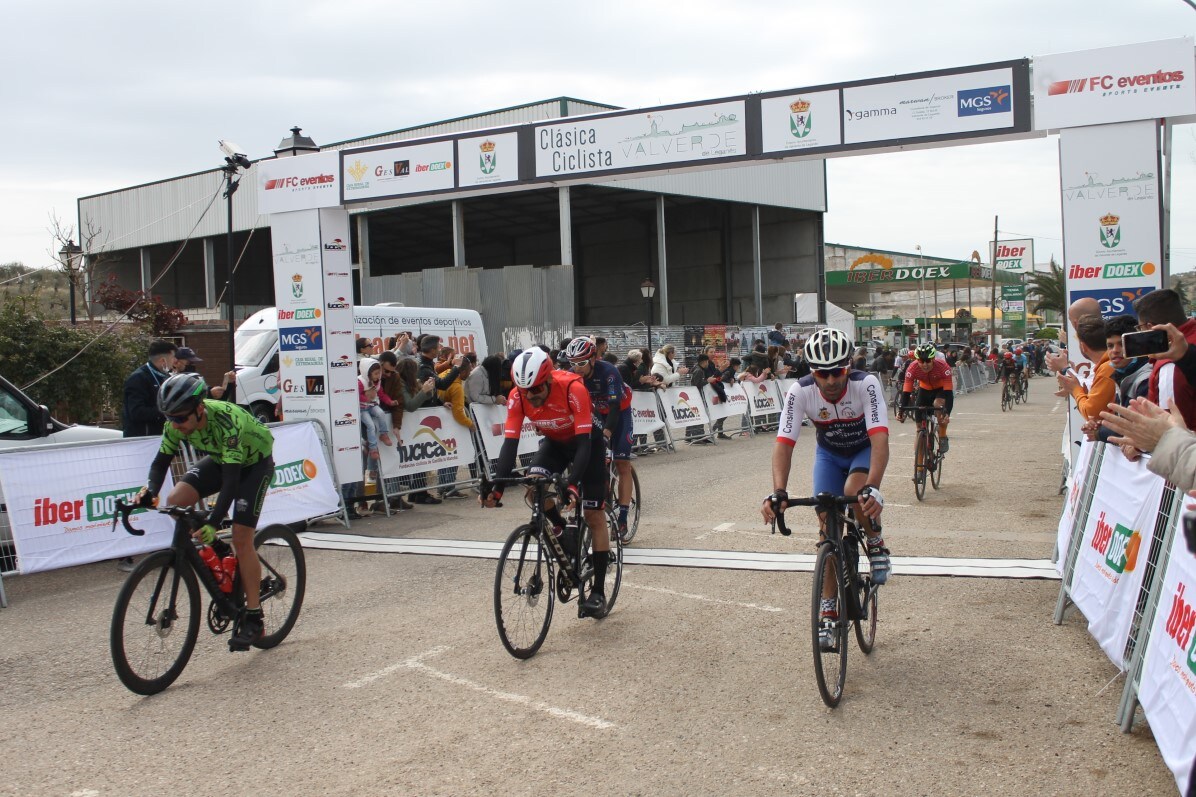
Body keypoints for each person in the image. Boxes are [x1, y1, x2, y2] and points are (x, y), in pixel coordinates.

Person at [760, 326, 890, 651]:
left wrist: (873, 487)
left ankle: (874, 541)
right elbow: (783, 444)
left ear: (848, 366)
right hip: (830, 455)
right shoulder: (800, 391)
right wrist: (779, 491)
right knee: (826, 530)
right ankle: (829, 608)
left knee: (856, 490)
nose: (831, 381)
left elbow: (879, 441)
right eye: (822, 373)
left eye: (837, 372)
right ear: (812, 371)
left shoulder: (866, 384)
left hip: (862, 450)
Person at [135, 373, 274, 651]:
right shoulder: (176, 422)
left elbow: (232, 482)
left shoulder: (226, 420)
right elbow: (161, 462)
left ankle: (254, 616)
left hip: (253, 464)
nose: (177, 425)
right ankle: (218, 549)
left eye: (181, 418)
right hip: (222, 459)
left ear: (200, 408)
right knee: (176, 498)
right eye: (171, 418)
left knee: (241, 537)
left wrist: (213, 520)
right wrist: (150, 490)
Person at [482, 348, 612, 617]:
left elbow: (585, 445)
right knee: (534, 487)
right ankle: (564, 531)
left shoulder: (572, 388)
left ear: (549, 379)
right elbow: (510, 444)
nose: (531, 395)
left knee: (594, 514)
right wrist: (497, 488)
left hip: (587, 444)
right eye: (524, 389)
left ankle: (598, 591)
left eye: (536, 388)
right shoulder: (518, 396)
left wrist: (573, 484)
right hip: (555, 443)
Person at [565, 337, 637, 539]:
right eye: (572, 363)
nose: (576, 368)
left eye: (581, 363)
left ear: (592, 360)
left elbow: (614, 408)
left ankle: (622, 517)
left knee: (622, 462)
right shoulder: (571, 376)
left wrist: (606, 435)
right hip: (596, 412)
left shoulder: (609, 372)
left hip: (618, 413)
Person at [897, 342, 954, 454]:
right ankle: (919, 469)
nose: (925, 364)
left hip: (940, 389)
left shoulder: (943, 367)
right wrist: (901, 410)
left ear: (933, 358)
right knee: (919, 429)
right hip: (924, 390)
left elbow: (948, 393)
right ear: (917, 360)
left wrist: (947, 413)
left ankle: (942, 435)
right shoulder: (912, 368)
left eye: (928, 361)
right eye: (921, 361)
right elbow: (906, 391)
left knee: (938, 405)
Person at [1057, 315, 1115, 423]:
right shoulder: (1105, 365)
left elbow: (1091, 413)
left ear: (1083, 347)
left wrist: (1075, 389)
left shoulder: (1107, 368)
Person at [122, 340, 177, 438]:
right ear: (163, 360)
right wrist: (167, 411)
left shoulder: (166, 377)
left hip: (163, 436)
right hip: (143, 438)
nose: (175, 361)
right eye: (173, 357)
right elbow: (137, 412)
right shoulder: (138, 378)